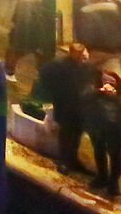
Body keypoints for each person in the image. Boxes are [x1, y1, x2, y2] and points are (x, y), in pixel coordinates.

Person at [32, 43, 99, 172]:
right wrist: (53, 96)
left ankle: (73, 159)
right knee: (66, 132)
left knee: (77, 133)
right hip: (65, 104)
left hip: (80, 105)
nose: (81, 56)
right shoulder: (58, 65)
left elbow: (90, 81)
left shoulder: (86, 67)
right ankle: (64, 160)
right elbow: (45, 77)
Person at [83, 72, 121, 197]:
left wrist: (113, 97)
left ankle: (113, 182)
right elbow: (84, 100)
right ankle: (102, 176)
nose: (108, 84)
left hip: (116, 131)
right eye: (105, 81)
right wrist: (98, 92)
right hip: (99, 129)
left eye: (112, 82)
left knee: (115, 157)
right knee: (99, 152)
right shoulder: (97, 93)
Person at [74, 0, 121, 76]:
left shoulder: (82, 4)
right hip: (116, 52)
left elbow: (81, 32)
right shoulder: (117, 3)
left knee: (99, 80)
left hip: (96, 52)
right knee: (116, 81)